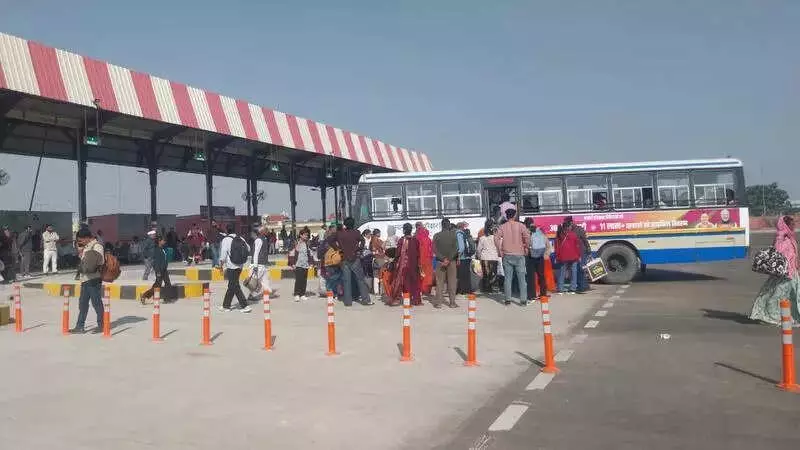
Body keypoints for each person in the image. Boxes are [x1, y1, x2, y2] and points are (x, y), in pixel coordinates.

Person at [749, 216, 800, 324]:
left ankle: (791, 316)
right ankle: (770, 315)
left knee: (791, 295)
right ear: (785, 225)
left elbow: (794, 254)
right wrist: (780, 237)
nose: (793, 226)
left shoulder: (790, 237)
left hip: (792, 271)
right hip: (783, 273)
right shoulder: (781, 237)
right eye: (791, 224)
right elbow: (778, 251)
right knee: (775, 295)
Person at [70, 228, 105, 334]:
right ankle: (80, 326)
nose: (80, 243)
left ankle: (102, 325)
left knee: (97, 303)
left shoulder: (96, 246)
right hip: (85, 279)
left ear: (86, 238)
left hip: (94, 279)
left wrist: (85, 260)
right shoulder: (87, 247)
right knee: (83, 304)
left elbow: (98, 262)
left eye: (81, 240)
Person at [334, 217, 373, 307]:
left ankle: (348, 302)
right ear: (353, 224)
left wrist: (338, 248)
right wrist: (359, 249)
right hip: (355, 259)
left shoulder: (340, 234)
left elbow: (330, 240)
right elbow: (362, 240)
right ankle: (366, 300)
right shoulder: (356, 233)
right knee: (360, 279)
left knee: (346, 281)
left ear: (345, 224)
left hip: (344, 259)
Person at [495, 208, 530, 305]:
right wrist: (526, 247)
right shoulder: (521, 226)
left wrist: (499, 250)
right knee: (522, 279)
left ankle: (507, 299)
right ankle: (523, 300)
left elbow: (496, 238)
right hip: (519, 254)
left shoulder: (502, 227)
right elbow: (527, 237)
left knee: (508, 278)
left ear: (506, 216)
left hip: (507, 254)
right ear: (514, 216)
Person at [218, 225, 252, 313]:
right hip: (240, 265)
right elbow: (248, 248)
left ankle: (245, 306)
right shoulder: (240, 238)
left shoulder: (226, 239)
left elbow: (223, 253)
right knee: (231, 285)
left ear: (227, 231)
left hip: (231, 265)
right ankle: (226, 306)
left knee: (235, 286)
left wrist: (221, 264)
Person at [389, 223, 421, 306]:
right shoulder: (415, 240)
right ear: (411, 230)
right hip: (413, 265)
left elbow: (398, 253)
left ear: (404, 230)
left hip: (403, 265)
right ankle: (415, 300)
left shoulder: (401, 240)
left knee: (400, 282)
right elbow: (418, 253)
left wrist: (394, 261)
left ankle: (397, 299)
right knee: (413, 282)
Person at [433, 218, 459, 308]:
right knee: (452, 282)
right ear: (449, 225)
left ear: (442, 225)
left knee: (439, 283)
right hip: (451, 262)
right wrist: (448, 259)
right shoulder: (453, 235)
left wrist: (443, 259)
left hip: (440, 262)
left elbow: (434, 250)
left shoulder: (436, 236)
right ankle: (452, 303)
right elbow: (456, 249)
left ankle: (439, 303)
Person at [139, 235, 172, 304]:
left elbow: (164, 259)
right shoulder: (156, 250)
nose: (164, 241)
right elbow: (156, 262)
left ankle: (167, 298)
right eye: (163, 240)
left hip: (164, 269)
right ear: (159, 241)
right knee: (157, 285)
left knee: (167, 283)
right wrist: (158, 271)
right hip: (159, 270)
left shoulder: (162, 248)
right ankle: (144, 295)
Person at [248, 226, 276, 301]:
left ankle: (267, 292)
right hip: (259, 264)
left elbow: (263, 253)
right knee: (256, 281)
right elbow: (256, 253)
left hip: (263, 264)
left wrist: (267, 262)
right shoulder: (259, 240)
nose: (268, 232)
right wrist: (255, 266)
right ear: (262, 232)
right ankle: (251, 295)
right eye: (266, 231)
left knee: (265, 279)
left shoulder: (264, 239)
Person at [526, 219, 552, 300]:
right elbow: (547, 244)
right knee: (541, 275)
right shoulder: (540, 232)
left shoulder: (526, 233)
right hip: (540, 257)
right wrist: (546, 255)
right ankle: (543, 293)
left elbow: (526, 245)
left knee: (530, 276)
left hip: (530, 257)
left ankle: (531, 295)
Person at [555, 218, 582, 294]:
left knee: (562, 272)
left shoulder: (559, 235)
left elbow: (556, 247)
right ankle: (573, 288)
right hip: (574, 256)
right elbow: (577, 246)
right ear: (568, 227)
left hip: (563, 257)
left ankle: (560, 289)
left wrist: (557, 256)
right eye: (570, 226)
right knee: (573, 272)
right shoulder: (573, 235)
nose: (571, 227)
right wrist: (579, 255)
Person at [477, 220, 500, 293]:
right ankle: (493, 288)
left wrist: (479, 256)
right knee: (493, 274)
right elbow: (499, 247)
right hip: (494, 257)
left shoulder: (482, 238)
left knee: (486, 274)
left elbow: (478, 249)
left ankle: (486, 289)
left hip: (485, 258)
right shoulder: (496, 238)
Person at [290, 227, 313, 302]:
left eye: (307, 235)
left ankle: (302, 294)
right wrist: (292, 263)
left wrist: (311, 263)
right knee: (298, 280)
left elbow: (309, 253)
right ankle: (297, 294)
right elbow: (292, 253)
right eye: (305, 235)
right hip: (298, 264)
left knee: (304, 280)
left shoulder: (307, 243)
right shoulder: (296, 243)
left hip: (305, 265)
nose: (306, 236)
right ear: (301, 235)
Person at [571, 219, 592, 293]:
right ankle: (585, 285)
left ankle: (582, 286)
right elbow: (585, 240)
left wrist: (588, 249)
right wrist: (588, 249)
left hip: (580, 252)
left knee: (580, 269)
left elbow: (585, 240)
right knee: (581, 269)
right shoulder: (577, 229)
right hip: (578, 252)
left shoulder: (577, 230)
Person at [415, 222, 435, 295]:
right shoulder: (428, 239)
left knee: (420, 274)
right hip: (428, 260)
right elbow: (431, 250)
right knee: (428, 275)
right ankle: (426, 290)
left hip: (419, 259)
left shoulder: (416, 238)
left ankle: (419, 289)